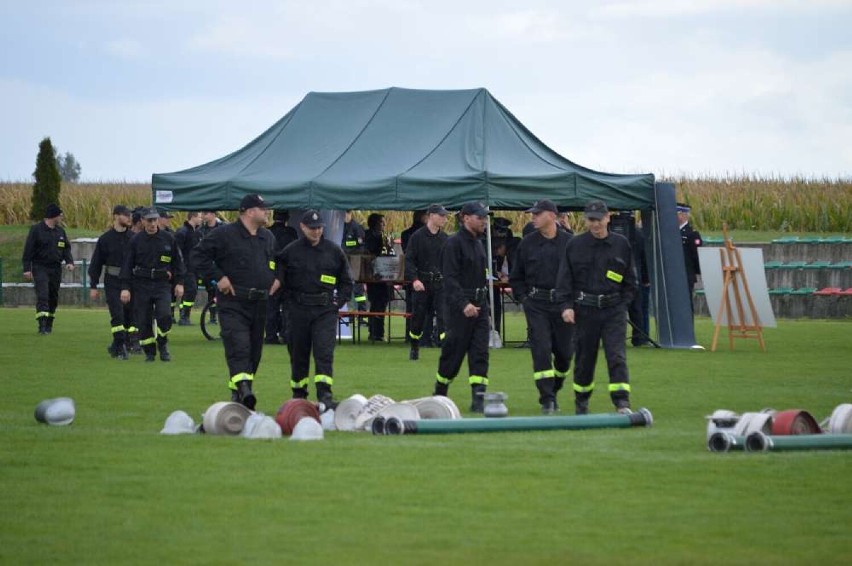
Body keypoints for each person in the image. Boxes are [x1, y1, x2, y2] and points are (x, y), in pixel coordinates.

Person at [192, 195, 279, 409]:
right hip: (233, 303)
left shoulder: (267, 237)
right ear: (249, 211)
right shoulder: (224, 234)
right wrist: (217, 277)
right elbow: (197, 257)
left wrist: (277, 278)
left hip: (259, 304)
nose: (267, 212)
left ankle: (239, 390)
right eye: (263, 208)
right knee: (238, 346)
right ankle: (244, 391)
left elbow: (275, 263)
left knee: (254, 353)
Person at [558, 200, 636, 415]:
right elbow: (565, 279)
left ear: (608, 217)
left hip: (613, 310)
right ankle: (581, 402)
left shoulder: (621, 244)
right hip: (585, 311)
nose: (595, 224)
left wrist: (623, 304)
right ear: (585, 220)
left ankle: (622, 403)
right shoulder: (575, 245)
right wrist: (566, 306)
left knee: (616, 356)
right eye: (591, 220)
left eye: (599, 219)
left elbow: (630, 280)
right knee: (584, 359)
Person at [277, 209, 353, 408]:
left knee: (324, 353)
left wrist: (337, 303)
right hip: (298, 310)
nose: (316, 232)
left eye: (319, 228)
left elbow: (347, 282)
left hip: (324, 311)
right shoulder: (290, 251)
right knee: (298, 354)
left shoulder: (334, 251)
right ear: (302, 227)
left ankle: (325, 395)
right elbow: (279, 281)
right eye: (312, 228)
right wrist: (287, 305)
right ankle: (299, 394)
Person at [509, 199, 574, 414]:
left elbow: (578, 274)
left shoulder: (570, 243)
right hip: (536, 305)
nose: (533, 217)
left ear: (552, 216)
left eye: (538, 214)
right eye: (532, 214)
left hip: (563, 305)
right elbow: (516, 276)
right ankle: (547, 398)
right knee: (541, 350)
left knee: (564, 354)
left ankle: (555, 387)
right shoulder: (526, 244)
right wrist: (524, 299)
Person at [433, 201, 491, 413]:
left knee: (480, 353)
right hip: (460, 308)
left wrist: (482, 304)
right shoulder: (453, 244)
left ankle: (478, 398)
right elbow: (450, 279)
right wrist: (464, 303)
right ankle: (440, 391)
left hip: (480, 306)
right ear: (465, 218)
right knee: (453, 353)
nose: (484, 221)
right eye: (480, 217)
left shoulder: (478, 243)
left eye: (485, 217)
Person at [120, 207, 185, 362]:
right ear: (142, 221)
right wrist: (125, 288)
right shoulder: (135, 240)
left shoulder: (168, 238)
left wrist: (179, 283)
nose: (152, 223)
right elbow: (127, 266)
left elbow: (178, 263)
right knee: (143, 321)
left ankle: (162, 344)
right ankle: (150, 352)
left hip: (162, 284)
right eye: (149, 220)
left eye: (155, 220)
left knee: (165, 316)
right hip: (141, 284)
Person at [404, 204, 449, 360]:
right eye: (441, 216)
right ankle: (415, 345)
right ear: (431, 216)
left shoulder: (445, 239)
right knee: (418, 318)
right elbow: (409, 260)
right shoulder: (417, 237)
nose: (444, 219)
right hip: (422, 284)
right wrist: (415, 280)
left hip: (440, 285)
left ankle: (445, 349)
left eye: (445, 216)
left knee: (444, 317)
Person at [88, 205, 134, 359]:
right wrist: (93, 285)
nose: (129, 218)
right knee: (117, 315)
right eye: (125, 215)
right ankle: (120, 347)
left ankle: (116, 345)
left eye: (130, 215)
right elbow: (96, 263)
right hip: (113, 282)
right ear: (116, 216)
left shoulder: (134, 238)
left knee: (129, 316)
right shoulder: (105, 239)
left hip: (131, 281)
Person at [22, 203, 75, 334]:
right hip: (40, 267)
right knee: (43, 295)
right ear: (53, 215)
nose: (61, 217)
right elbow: (28, 250)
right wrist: (27, 269)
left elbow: (66, 249)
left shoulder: (60, 231)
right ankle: (42, 326)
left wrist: (69, 261)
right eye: (60, 214)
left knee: (53, 297)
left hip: (56, 268)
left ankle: (49, 323)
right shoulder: (36, 230)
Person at [265, 210, 299, 345]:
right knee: (287, 308)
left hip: (271, 274)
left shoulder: (267, 233)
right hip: (288, 274)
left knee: (271, 307)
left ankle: (270, 336)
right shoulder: (291, 233)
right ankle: (286, 334)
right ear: (287, 218)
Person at [364, 212, 394, 342]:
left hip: (384, 273)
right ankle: (375, 332)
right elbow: (372, 253)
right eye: (381, 222)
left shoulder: (382, 236)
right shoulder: (370, 236)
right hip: (376, 275)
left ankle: (378, 332)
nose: (384, 225)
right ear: (374, 223)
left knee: (381, 304)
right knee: (377, 304)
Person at [174, 211, 203, 325]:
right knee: (191, 290)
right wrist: (180, 268)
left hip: (194, 268)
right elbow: (177, 252)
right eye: (199, 217)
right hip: (185, 268)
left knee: (189, 291)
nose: (201, 219)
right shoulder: (183, 232)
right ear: (193, 217)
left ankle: (184, 315)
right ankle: (184, 316)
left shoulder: (197, 233)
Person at [198, 210, 223, 324]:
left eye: (206, 213)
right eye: (203, 214)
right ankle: (213, 316)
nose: (203, 216)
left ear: (213, 215)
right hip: (208, 266)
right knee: (211, 292)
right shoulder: (200, 231)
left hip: (220, 265)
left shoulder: (223, 229)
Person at [341, 210, 369, 315]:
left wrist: (352, 254)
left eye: (346, 213)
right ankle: (344, 311)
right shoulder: (340, 227)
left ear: (350, 213)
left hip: (355, 262)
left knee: (358, 290)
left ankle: (362, 313)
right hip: (343, 262)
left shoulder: (356, 227)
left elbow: (362, 246)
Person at [678, 203, 703, 305]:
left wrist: (696, 271)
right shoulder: (673, 231)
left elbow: (696, 256)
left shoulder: (692, 234)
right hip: (675, 274)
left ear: (683, 215)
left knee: (686, 304)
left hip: (686, 274)